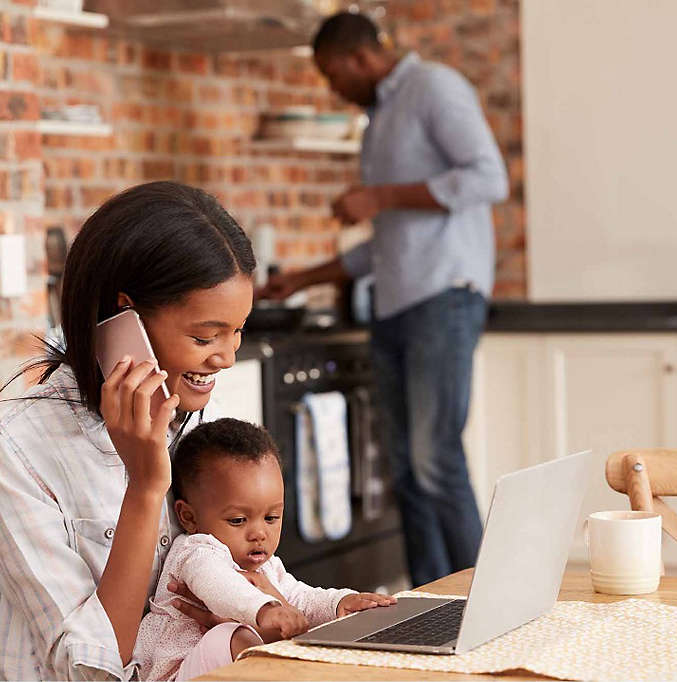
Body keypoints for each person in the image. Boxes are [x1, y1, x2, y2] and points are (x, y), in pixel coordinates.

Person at [0, 181, 266, 680]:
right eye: (204, 336)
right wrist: (146, 487)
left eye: (238, 331)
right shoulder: (14, 445)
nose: (227, 357)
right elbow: (91, 672)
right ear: (125, 315)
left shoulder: (181, 415)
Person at [259, 12, 509, 587]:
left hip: (444, 298)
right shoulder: (379, 123)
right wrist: (301, 280)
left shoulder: (434, 89)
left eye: (331, 74)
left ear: (359, 58)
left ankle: (487, 597)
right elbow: (389, 241)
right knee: (406, 470)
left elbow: (489, 178)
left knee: (434, 458)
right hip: (396, 307)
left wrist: (381, 195)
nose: (332, 88)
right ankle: (429, 603)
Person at [135, 418, 396, 681]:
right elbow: (218, 585)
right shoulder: (196, 551)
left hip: (226, 670)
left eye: (271, 518)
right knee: (233, 637)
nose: (259, 534)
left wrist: (340, 604)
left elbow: (300, 598)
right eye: (238, 520)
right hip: (175, 673)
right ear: (189, 517)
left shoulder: (264, 565)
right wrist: (265, 610)